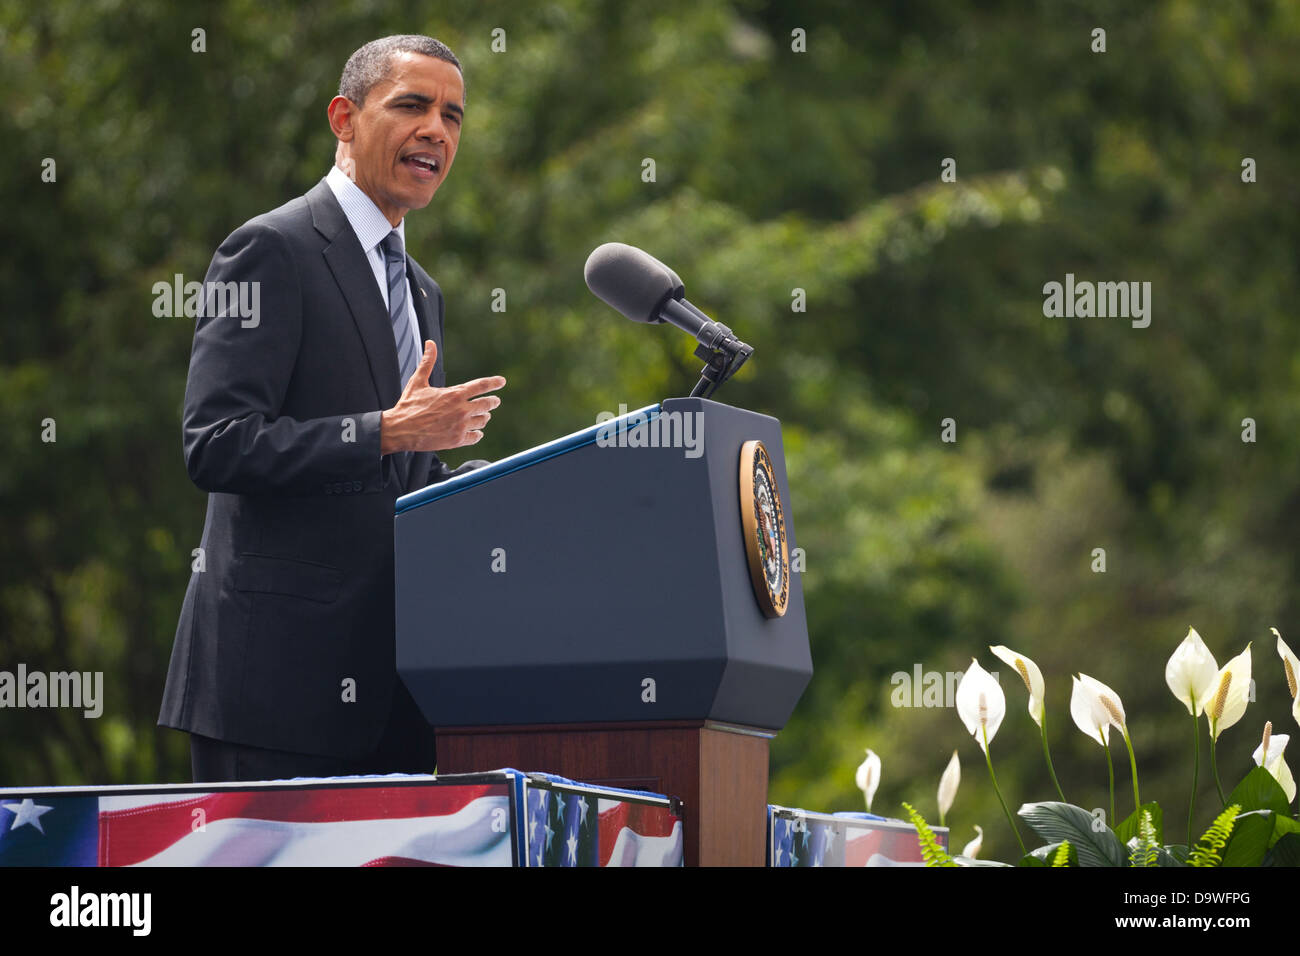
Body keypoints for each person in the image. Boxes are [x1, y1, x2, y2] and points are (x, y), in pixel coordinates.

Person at [158, 35, 506, 782]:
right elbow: (216, 443)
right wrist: (386, 431)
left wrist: (483, 487)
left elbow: (397, 480)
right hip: (275, 693)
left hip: (398, 694)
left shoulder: (422, 288)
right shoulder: (267, 250)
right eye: (411, 105)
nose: (436, 130)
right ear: (344, 118)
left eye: (453, 116)